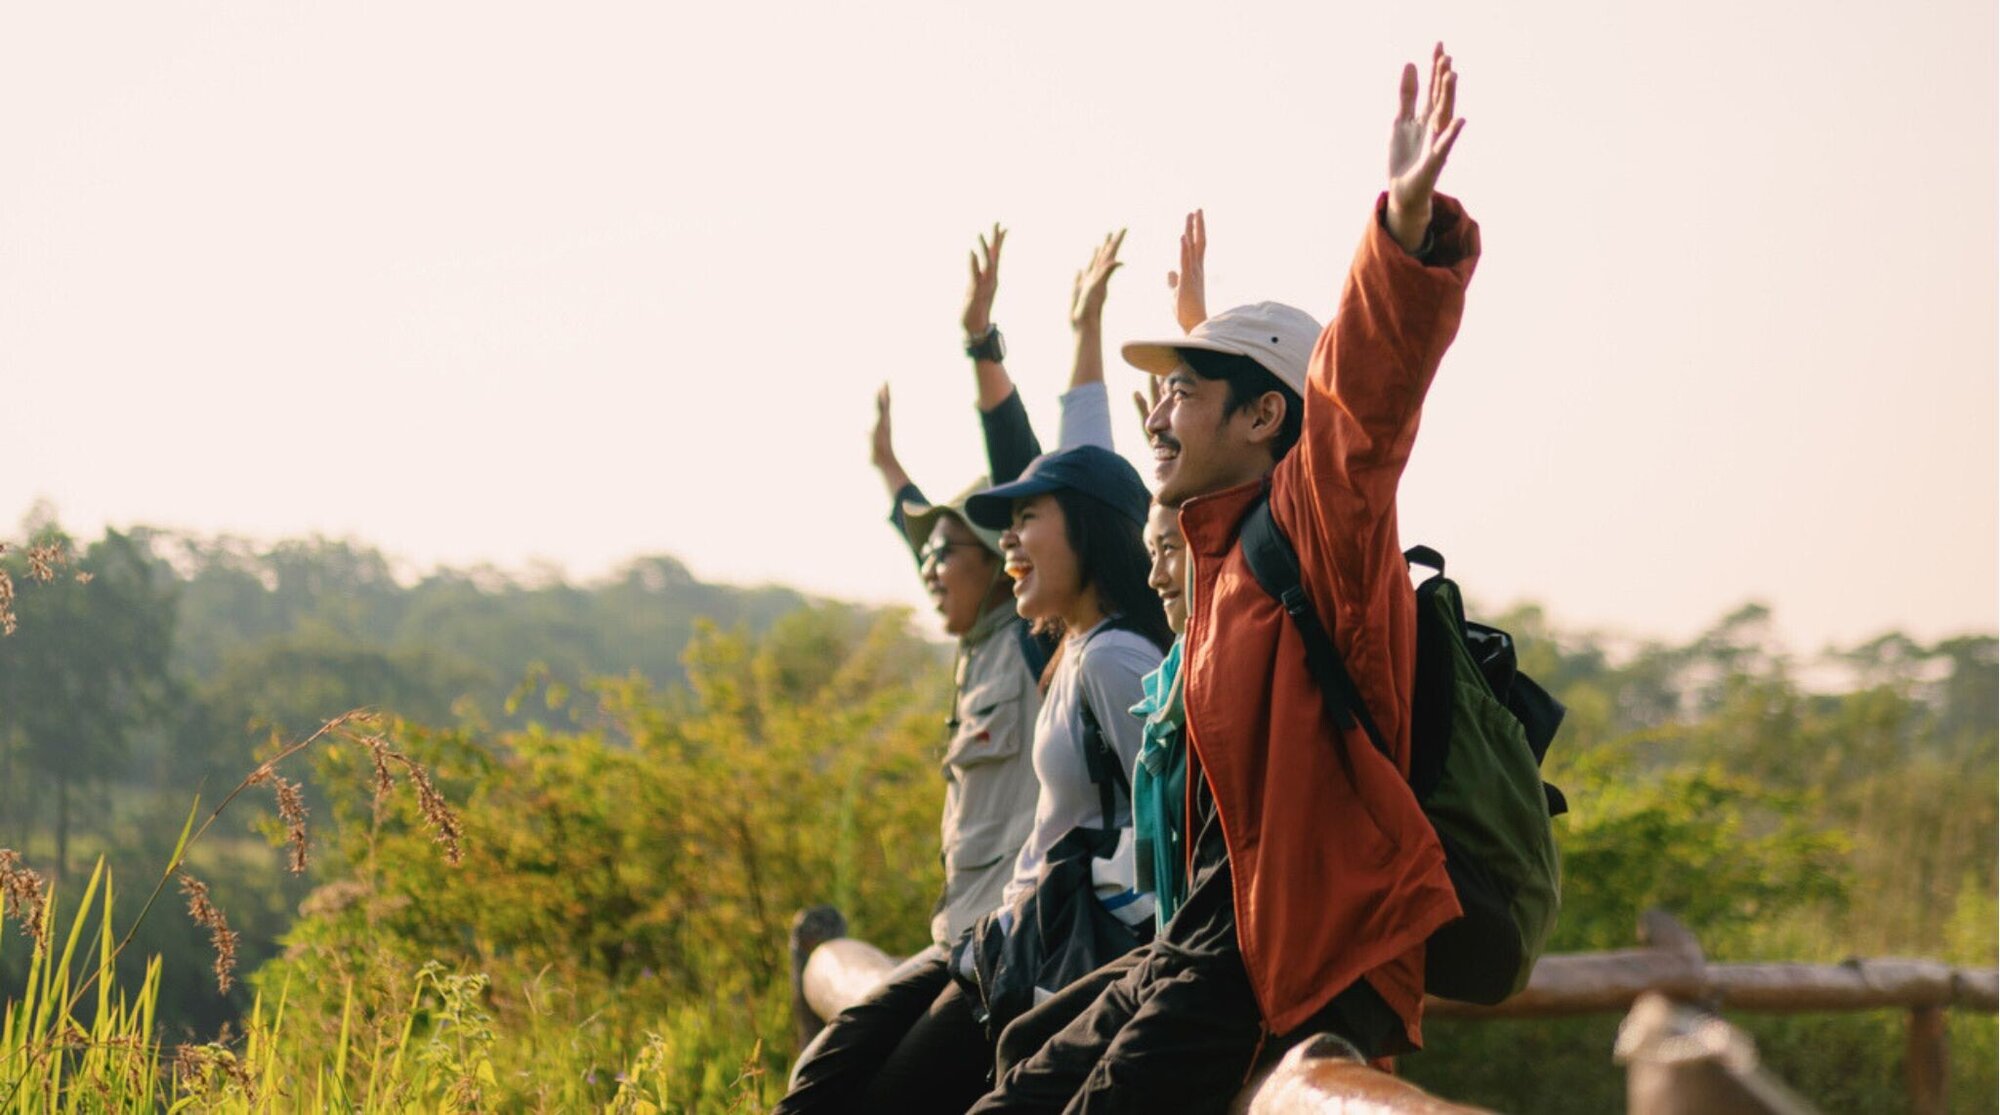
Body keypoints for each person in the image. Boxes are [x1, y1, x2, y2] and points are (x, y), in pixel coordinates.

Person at [970, 44, 1479, 1113]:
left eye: (1186, 391)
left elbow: (1359, 403)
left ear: (1262, 418)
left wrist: (1395, 231)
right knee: (1023, 1062)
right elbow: (1135, 470)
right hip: (1219, 922)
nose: (1157, 412)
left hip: (1290, 947)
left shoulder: (1319, 526)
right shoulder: (1212, 563)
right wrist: (1190, 325)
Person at [779, 231, 1161, 1115]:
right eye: (1006, 527)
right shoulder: (1062, 646)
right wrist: (892, 460)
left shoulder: (1110, 657)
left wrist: (1005, 347)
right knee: (822, 1083)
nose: (1012, 544)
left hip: (1048, 961)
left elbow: (1188, 819)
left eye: (1026, 523)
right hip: (990, 942)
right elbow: (1056, 481)